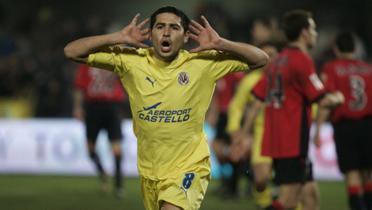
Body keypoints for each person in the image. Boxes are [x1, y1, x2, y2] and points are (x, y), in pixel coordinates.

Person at [64, 6, 269, 210]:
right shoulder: (131, 60)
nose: (167, 32)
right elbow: (72, 51)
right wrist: (116, 37)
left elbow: (260, 58)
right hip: (150, 171)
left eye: (174, 27)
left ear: (186, 36)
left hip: (190, 166)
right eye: (160, 26)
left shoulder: (203, 62)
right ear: (151, 33)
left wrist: (221, 43)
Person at [249, 10, 344, 210]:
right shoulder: (301, 60)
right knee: (288, 201)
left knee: (310, 196)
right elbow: (322, 99)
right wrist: (338, 97)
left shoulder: (278, 60)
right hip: (292, 141)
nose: (316, 34)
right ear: (304, 32)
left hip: (279, 139)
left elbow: (258, 95)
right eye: (313, 28)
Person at [314, 32, 372, 210]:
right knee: (368, 173)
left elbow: (328, 100)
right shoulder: (368, 68)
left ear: (336, 49)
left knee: (352, 172)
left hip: (346, 126)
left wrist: (318, 129)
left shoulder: (331, 68)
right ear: (355, 49)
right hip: (368, 125)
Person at [227, 42, 278, 208]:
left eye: (272, 54)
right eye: (266, 54)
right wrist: (235, 130)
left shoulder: (284, 77)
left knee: (290, 181)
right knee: (261, 179)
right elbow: (237, 106)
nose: (269, 59)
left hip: (287, 133)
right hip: (261, 134)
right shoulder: (250, 81)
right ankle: (265, 203)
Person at [73, 64, 126, 197]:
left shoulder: (116, 60)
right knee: (90, 149)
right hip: (93, 107)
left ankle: (119, 185)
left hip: (112, 107)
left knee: (116, 148)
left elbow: (127, 81)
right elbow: (79, 87)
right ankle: (103, 173)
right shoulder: (88, 63)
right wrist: (78, 107)